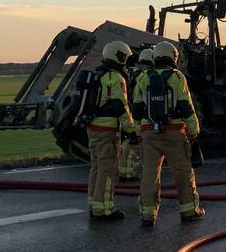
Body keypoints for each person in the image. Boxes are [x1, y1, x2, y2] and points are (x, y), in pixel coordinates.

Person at [132, 40, 202, 227]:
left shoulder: (143, 77)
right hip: (174, 132)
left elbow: (137, 109)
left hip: (149, 133)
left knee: (149, 175)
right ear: (173, 57)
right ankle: (189, 210)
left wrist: (139, 130)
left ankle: (148, 215)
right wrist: (194, 131)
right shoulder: (177, 77)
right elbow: (186, 107)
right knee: (183, 172)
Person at [87, 41, 138, 221]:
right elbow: (120, 106)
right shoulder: (115, 77)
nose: (126, 61)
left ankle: (94, 204)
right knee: (107, 170)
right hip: (107, 130)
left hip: (93, 128)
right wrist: (131, 130)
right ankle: (104, 210)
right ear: (118, 56)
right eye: (125, 57)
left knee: (96, 167)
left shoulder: (98, 74)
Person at [118, 48, 154, 181]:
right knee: (134, 141)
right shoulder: (144, 75)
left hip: (127, 109)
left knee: (130, 139)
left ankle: (125, 169)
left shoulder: (129, 71)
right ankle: (127, 172)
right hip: (136, 111)